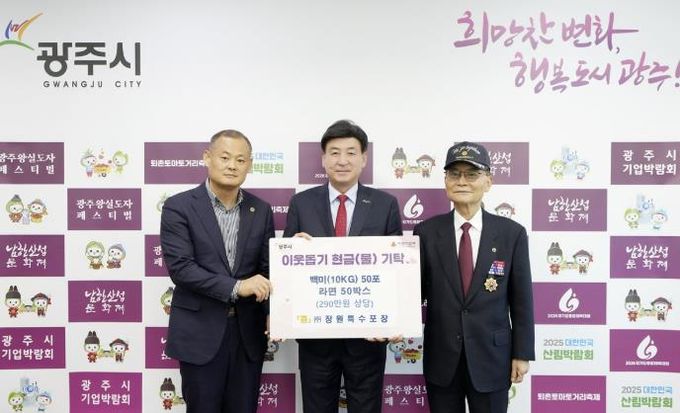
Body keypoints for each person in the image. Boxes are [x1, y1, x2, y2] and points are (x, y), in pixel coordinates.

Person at [283, 119, 403, 413]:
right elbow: (285, 268)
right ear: (323, 159)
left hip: (367, 337)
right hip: (315, 337)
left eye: (351, 152)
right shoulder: (301, 203)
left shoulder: (385, 204)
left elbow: (398, 269)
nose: (342, 160)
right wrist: (292, 251)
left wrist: (395, 319)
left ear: (364, 159)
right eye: (334, 153)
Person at [413, 142, 535, 413]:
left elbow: (522, 300)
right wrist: (390, 321)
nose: (462, 181)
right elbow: (413, 293)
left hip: (493, 357)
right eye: (454, 174)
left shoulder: (511, 234)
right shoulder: (426, 233)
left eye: (471, 174)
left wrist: (522, 353)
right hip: (442, 357)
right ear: (445, 181)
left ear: (488, 182)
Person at [160, 129, 275, 413]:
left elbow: (267, 269)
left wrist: (295, 254)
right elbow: (181, 268)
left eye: (240, 159)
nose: (232, 165)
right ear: (207, 158)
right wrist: (237, 287)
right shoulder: (179, 207)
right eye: (224, 157)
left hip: (247, 335)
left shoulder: (261, 210)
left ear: (249, 165)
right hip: (200, 334)